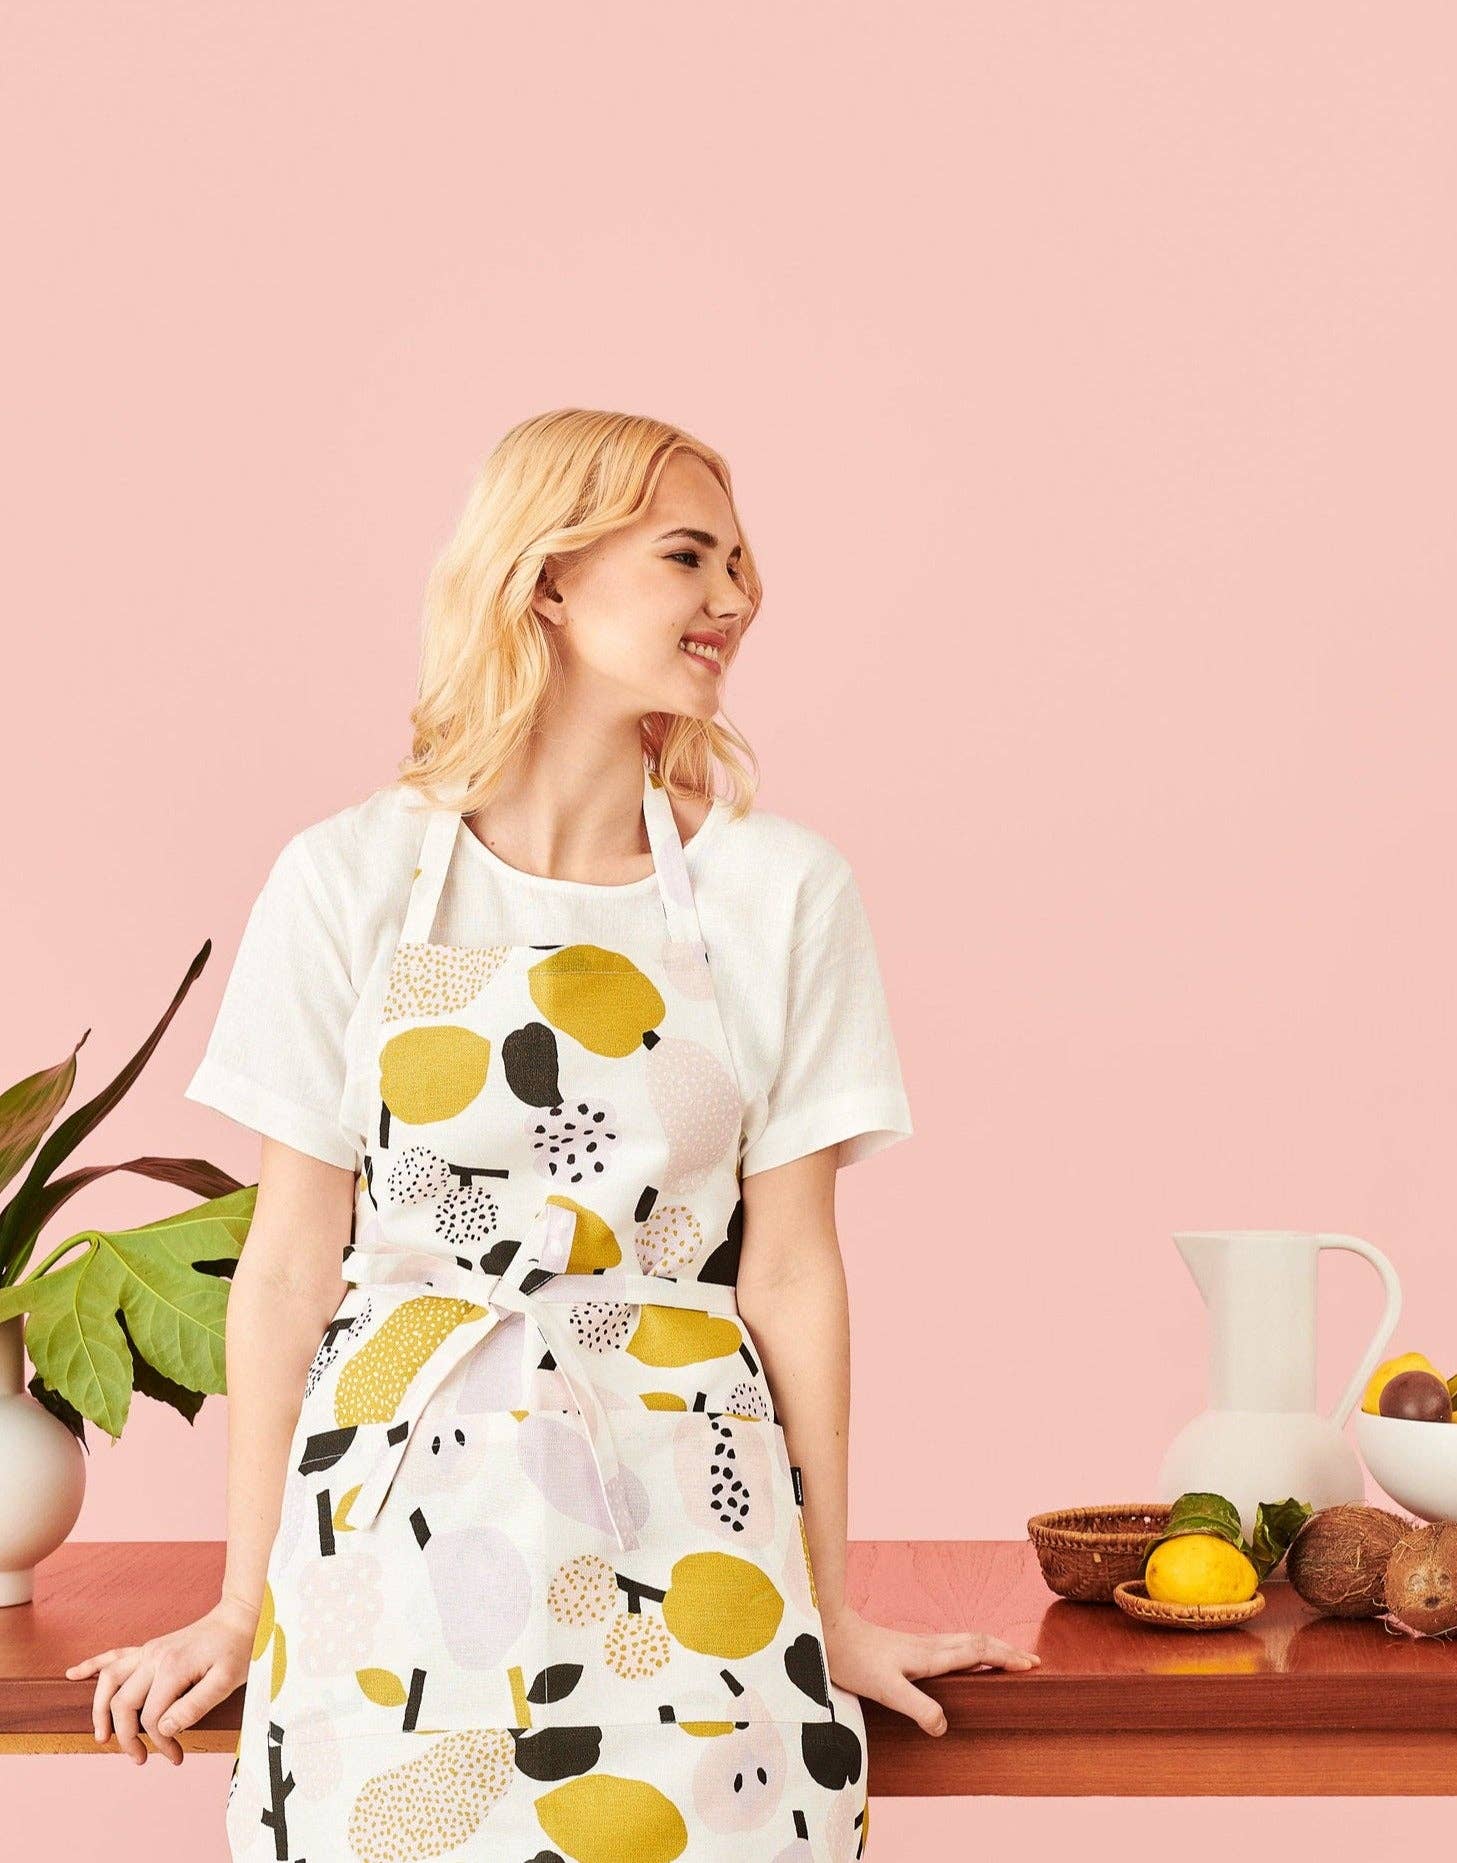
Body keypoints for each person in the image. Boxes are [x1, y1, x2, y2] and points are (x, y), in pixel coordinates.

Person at [64, 409, 1038, 1858]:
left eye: (743, 566)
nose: (735, 601)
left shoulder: (778, 893)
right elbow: (285, 1270)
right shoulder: (351, 878)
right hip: (386, 1523)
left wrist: (829, 1601)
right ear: (548, 581)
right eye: (688, 557)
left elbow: (789, 1276)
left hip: (685, 1509)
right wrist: (241, 1597)